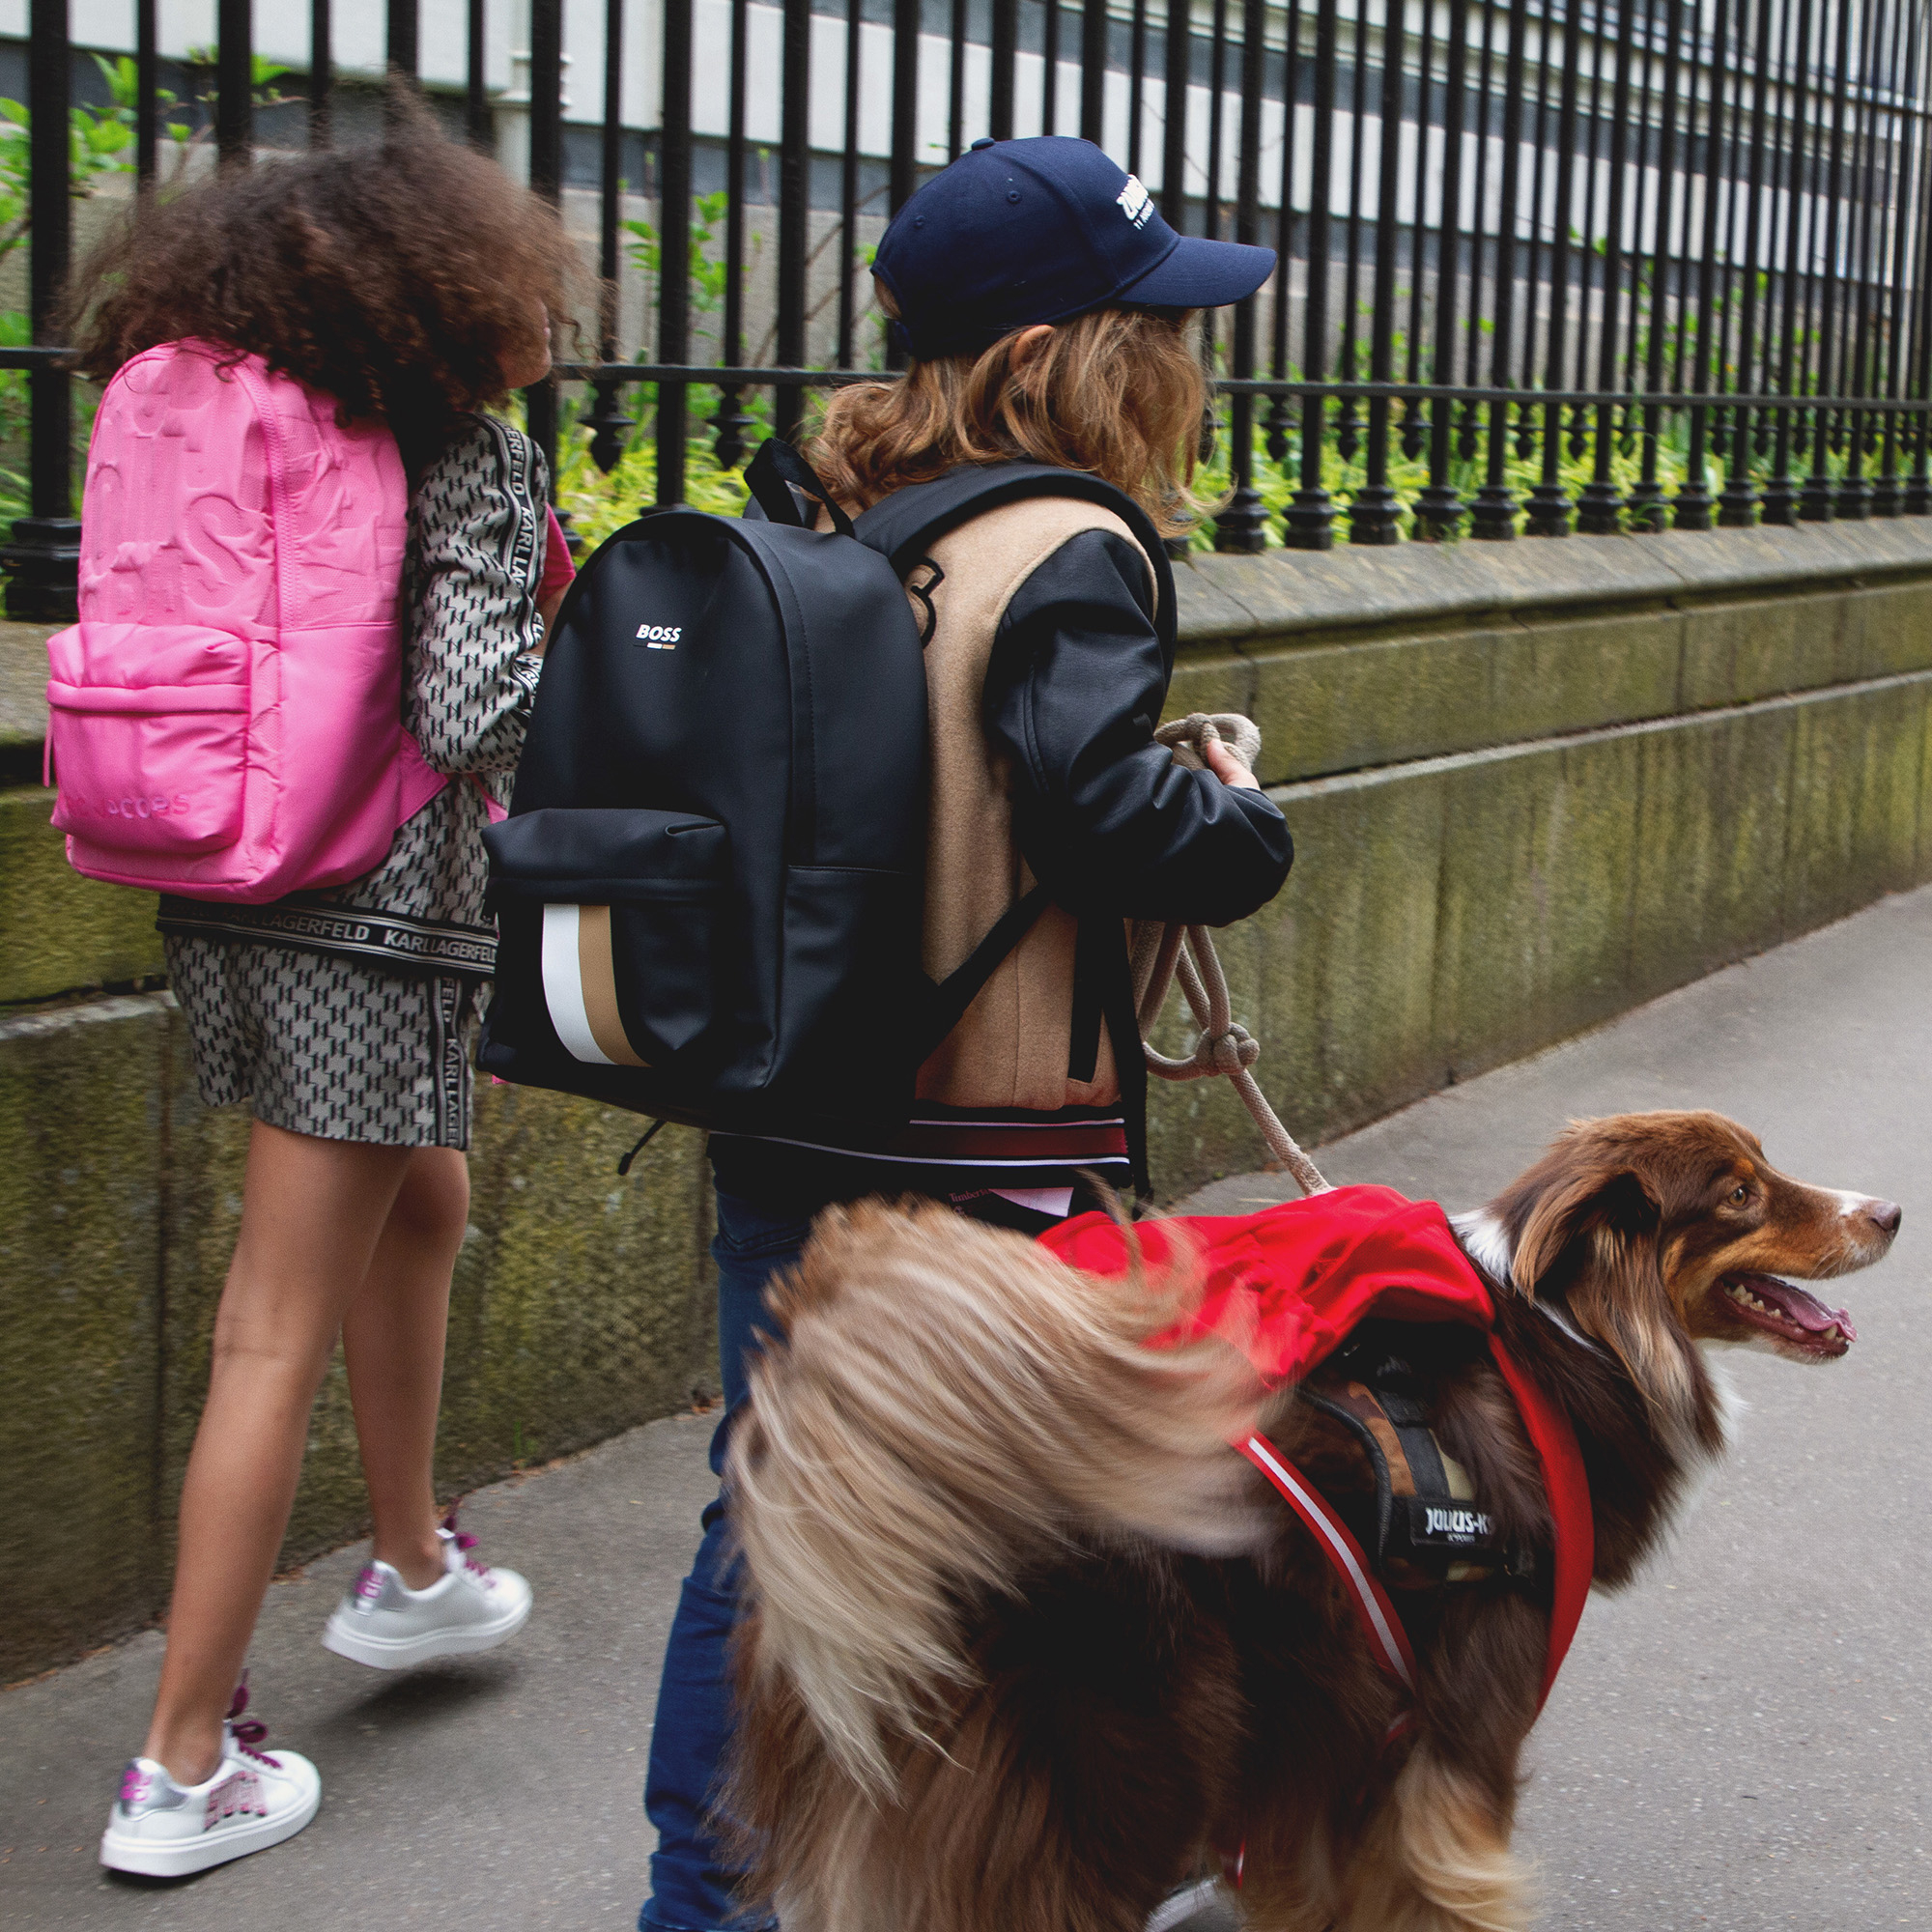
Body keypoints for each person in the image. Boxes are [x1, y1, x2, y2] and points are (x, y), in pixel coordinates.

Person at [638, 135, 1293, 1932]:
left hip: (803, 1122)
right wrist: (1236, 816)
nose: (1186, 364)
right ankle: (1061, 1864)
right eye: (1155, 325)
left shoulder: (836, 502)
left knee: (780, 1525)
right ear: (1048, 357)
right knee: (1055, 1540)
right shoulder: (1073, 542)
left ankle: (705, 1901)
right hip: (991, 1154)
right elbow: (1094, 811)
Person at [67, 117, 575, 1879]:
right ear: (465, 286)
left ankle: (417, 1568)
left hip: (219, 873)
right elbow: (463, 712)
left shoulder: (198, 402)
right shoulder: (459, 448)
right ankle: (180, 1764)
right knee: (270, 1323)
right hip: (376, 911)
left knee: (410, 1195)